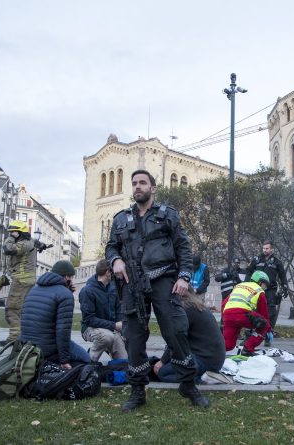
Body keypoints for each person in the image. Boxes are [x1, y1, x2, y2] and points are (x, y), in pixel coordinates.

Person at [106, 169, 208, 411]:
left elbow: (183, 247)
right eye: (134, 183)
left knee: (176, 331)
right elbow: (111, 247)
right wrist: (115, 260)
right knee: (133, 337)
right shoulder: (121, 219)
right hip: (132, 283)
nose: (137, 186)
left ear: (152, 188)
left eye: (142, 182)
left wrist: (184, 276)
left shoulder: (168, 214)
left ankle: (188, 384)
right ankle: (137, 390)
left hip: (164, 280)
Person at [20, 260, 89, 368]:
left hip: (26, 345)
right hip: (46, 348)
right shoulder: (65, 294)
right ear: (67, 277)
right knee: (86, 359)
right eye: (72, 277)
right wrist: (64, 361)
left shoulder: (33, 289)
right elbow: (63, 331)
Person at [153, 289, 226, 383]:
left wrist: (162, 361)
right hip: (212, 359)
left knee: (163, 373)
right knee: (164, 366)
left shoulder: (184, 310)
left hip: (204, 361)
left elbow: (176, 341)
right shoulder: (194, 306)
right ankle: (204, 375)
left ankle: (202, 379)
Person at [79, 259, 127, 363]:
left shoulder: (113, 288)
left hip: (110, 328)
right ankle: (88, 362)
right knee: (106, 337)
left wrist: (122, 327)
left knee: (124, 361)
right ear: (108, 272)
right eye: (113, 271)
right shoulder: (87, 291)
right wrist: (114, 325)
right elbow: (89, 320)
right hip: (90, 328)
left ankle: (115, 367)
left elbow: (118, 311)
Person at [0, 220, 37, 346]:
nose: (11, 234)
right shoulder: (29, 242)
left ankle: (14, 338)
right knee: (22, 310)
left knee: (12, 309)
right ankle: (23, 337)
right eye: (10, 232)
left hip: (21, 281)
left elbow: (8, 249)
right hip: (25, 280)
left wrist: (9, 238)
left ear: (21, 233)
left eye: (14, 232)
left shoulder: (24, 244)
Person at [246, 240, 288, 340]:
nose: (265, 250)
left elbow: (282, 275)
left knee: (271, 312)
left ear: (271, 249)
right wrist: (246, 284)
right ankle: (249, 336)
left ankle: (268, 335)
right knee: (253, 311)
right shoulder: (256, 260)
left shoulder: (277, 262)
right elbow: (248, 272)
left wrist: (285, 286)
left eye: (267, 248)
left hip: (270, 290)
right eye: (264, 248)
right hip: (256, 289)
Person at [222, 271, 272, 356]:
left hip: (227, 315)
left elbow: (224, 304)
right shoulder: (259, 291)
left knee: (228, 345)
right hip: (242, 314)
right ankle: (248, 349)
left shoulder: (239, 286)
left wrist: (224, 318)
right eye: (265, 285)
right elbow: (264, 313)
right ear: (260, 282)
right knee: (264, 325)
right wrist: (268, 329)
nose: (265, 288)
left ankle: (210, 350)